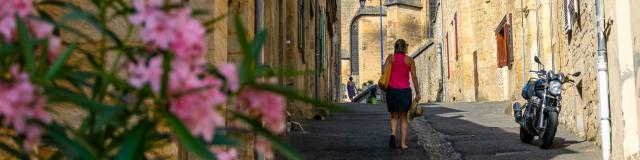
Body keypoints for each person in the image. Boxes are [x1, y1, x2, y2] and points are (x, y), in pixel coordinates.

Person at [385, 39, 420, 149]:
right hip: (405, 90)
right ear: (405, 48)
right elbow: (414, 77)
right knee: (404, 118)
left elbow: (383, 72)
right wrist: (418, 92)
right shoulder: (410, 60)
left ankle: (393, 134)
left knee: (394, 116)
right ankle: (403, 143)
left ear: (395, 48)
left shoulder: (391, 58)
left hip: (392, 89)